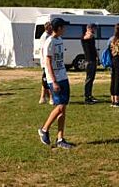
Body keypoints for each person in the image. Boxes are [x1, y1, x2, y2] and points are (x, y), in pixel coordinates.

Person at [38, 17, 74, 149]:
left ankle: (60, 139)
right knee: (59, 106)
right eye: (63, 27)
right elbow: (48, 63)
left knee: (63, 108)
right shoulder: (49, 42)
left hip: (63, 76)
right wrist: (53, 81)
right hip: (55, 79)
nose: (65, 29)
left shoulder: (60, 40)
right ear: (58, 28)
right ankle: (44, 129)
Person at [81, 23, 98, 104]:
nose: (95, 30)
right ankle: (87, 97)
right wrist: (89, 31)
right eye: (94, 29)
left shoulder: (92, 37)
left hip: (93, 60)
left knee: (92, 79)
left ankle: (90, 95)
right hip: (89, 60)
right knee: (89, 79)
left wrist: (97, 56)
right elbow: (87, 37)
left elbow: (94, 48)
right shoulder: (84, 36)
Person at [109, 23, 119, 107]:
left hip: (112, 61)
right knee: (117, 81)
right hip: (118, 61)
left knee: (113, 80)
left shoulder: (112, 40)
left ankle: (112, 100)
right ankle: (117, 101)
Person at [38, 22, 53, 104]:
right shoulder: (45, 37)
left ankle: (43, 97)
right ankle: (49, 97)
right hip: (45, 62)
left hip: (45, 62)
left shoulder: (48, 36)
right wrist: (46, 61)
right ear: (48, 28)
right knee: (47, 80)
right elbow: (44, 50)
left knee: (45, 80)